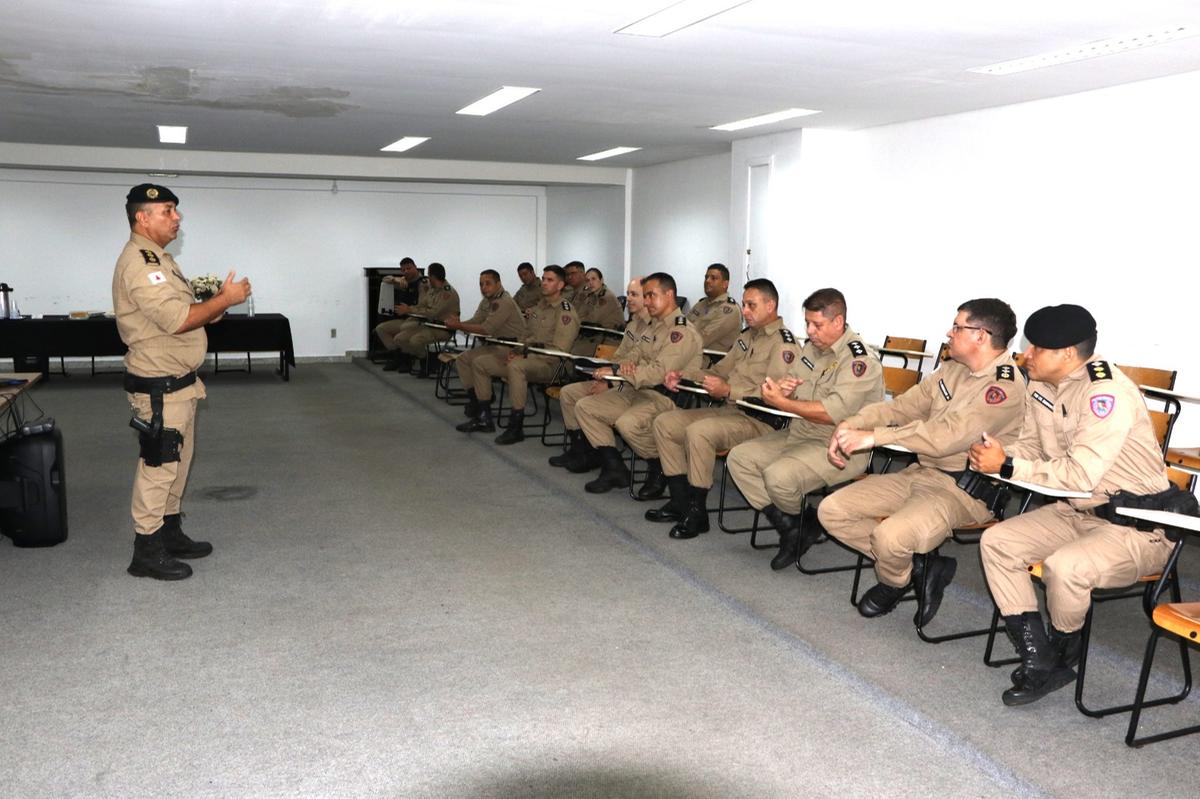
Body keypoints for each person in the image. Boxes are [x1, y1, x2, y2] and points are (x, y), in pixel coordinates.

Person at [970, 305, 1180, 706]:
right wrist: (996, 453)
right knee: (998, 542)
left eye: (1035, 349)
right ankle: (1040, 657)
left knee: (1065, 567)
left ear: (1067, 354)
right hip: (1077, 510)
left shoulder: (1106, 392)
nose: (1025, 355)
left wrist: (1010, 465)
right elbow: (1032, 447)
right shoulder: (1040, 385)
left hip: (1136, 525)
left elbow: (1081, 474)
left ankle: (1065, 648)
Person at [817, 299, 1026, 625]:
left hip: (964, 491)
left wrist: (875, 437)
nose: (949, 332)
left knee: (889, 538)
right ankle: (916, 567)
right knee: (832, 511)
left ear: (981, 336)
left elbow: (944, 436)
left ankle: (892, 581)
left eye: (957, 327)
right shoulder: (954, 369)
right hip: (922, 472)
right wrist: (854, 422)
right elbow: (903, 407)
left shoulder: (1003, 386)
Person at [113, 183, 251, 580]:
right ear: (143, 217)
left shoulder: (161, 259)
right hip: (159, 385)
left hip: (180, 381)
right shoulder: (141, 263)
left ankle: (170, 532)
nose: (177, 218)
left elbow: (187, 308)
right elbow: (176, 320)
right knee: (159, 464)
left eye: (176, 210)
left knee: (179, 461)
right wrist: (225, 300)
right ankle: (146, 548)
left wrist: (215, 304)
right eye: (168, 211)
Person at [725, 288, 884, 568]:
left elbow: (829, 413)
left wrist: (784, 403)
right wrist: (780, 390)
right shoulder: (813, 348)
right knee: (739, 459)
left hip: (841, 446)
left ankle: (798, 525)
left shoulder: (860, 361)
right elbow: (792, 386)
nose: (809, 331)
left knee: (778, 477)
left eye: (817, 325)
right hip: (801, 432)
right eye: (807, 323)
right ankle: (798, 524)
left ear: (838, 322)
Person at [646, 279, 801, 539]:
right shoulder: (746, 337)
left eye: (752, 305)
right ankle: (680, 500)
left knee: (699, 432)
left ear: (771, 305)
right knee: (665, 422)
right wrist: (683, 374)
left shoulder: (783, 344)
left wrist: (730, 391)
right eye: (744, 304)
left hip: (759, 420)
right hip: (730, 411)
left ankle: (697, 513)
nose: (746, 311)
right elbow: (719, 371)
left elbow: (775, 396)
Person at [573, 273, 703, 493]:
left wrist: (617, 372)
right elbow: (634, 354)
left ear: (669, 295)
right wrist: (619, 368)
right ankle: (615, 467)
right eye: (646, 296)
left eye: (651, 296)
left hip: (664, 397)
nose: (647, 301)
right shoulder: (654, 326)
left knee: (628, 423)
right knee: (586, 406)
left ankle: (660, 465)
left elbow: (658, 373)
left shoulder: (680, 332)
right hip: (638, 389)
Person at [456, 265, 579, 438]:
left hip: (552, 365)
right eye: (543, 279)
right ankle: (483, 417)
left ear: (560, 285)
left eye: (549, 280)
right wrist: (516, 349)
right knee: (480, 363)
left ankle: (516, 426)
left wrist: (525, 353)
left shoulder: (566, 311)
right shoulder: (540, 307)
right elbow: (524, 334)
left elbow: (559, 350)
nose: (544, 283)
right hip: (529, 358)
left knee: (516, 366)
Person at [550, 277, 650, 472]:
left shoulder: (655, 328)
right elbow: (620, 357)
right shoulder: (633, 325)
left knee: (586, 404)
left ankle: (611, 465)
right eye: (628, 294)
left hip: (634, 387)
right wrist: (606, 377)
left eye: (634, 294)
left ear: (648, 298)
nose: (628, 299)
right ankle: (581, 450)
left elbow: (644, 370)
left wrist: (610, 383)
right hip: (617, 379)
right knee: (569, 393)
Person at [445, 270, 528, 422]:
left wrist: (458, 325)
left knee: (478, 362)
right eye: (481, 284)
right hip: (497, 346)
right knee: (463, 359)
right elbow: (477, 319)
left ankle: (484, 413)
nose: (484, 288)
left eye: (488, 284)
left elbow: (486, 329)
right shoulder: (487, 301)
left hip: (512, 349)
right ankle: (477, 400)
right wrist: (459, 323)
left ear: (499, 284)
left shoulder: (503, 302)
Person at [381, 262, 460, 373]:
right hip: (429, 325)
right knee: (400, 338)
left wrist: (410, 310)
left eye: (428, 274)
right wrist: (409, 308)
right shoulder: (432, 290)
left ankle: (427, 362)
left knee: (415, 340)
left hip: (442, 328)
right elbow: (421, 305)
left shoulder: (447, 293)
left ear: (432, 276)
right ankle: (427, 358)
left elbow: (433, 313)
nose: (427, 277)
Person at [374, 258, 428, 361]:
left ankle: (409, 358)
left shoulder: (424, 283)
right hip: (405, 319)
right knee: (381, 328)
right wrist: (396, 279)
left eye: (409, 268)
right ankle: (398, 357)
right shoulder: (404, 282)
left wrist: (409, 310)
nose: (406, 271)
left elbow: (424, 307)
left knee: (401, 335)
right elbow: (385, 279)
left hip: (418, 320)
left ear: (415, 267)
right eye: (403, 270)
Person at [686, 263, 743, 353]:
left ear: (725, 284)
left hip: (711, 362)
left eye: (713, 278)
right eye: (706, 277)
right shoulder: (700, 304)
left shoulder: (729, 310)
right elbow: (682, 327)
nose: (707, 281)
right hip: (690, 355)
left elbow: (703, 338)